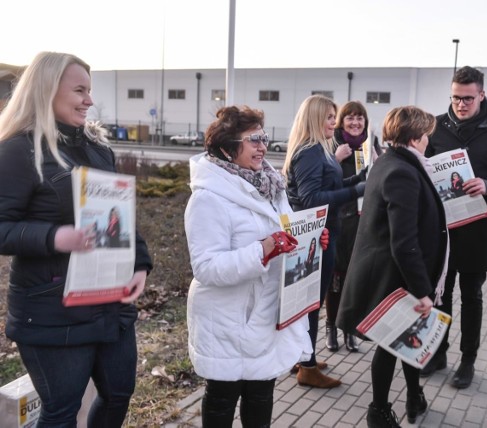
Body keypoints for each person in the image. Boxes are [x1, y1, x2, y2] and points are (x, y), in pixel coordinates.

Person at [0, 51, 152, 426]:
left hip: (110, 301)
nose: (90, 100)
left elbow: (123, 216)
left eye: (91, 90)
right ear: (46, 89)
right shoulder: (19, 151)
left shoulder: (99, 149)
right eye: (80, 90)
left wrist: (140, 265)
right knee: (61, 411)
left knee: (119, 394)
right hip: (52, 309)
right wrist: (56, 237)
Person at [184, 105, 316, 427]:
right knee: (222, 398)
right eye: (253, 139)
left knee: (261, 393)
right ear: (229, 149)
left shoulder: (270, 185)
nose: (263, 146)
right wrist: (263, 250)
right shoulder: (208, 198)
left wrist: (309, 239)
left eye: (264, 138)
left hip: (264, 314)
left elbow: (284, 231)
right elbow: (207, 267)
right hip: (228, 320)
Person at [337, 106, 448, 427]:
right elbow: (404, 240)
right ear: (415, 137)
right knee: (390, 344)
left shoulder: (388, 161)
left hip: (393, 270)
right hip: (395, 274)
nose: (429, 140)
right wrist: (423, 291)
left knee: (409, 337)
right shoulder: (402, 171)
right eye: (426, 135)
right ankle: (379, 410)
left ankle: (414, 397)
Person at [422, 66, 487, 388]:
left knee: (472, 295)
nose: (461, 104)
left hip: (477, 227)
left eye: (468, 98)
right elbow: (421, 165)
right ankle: (438, 352)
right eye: (455, 97)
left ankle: (468, 360)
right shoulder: (435, 126)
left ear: (481, 95)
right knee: (441, 293)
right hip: (441, 227)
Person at [283, 94, 366, 388]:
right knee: (312, 303)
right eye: (330, 117)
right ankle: (307, 367)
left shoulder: (321, 149)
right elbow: (311, 199)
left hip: (324, 233)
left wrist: (356, 181)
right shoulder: (309, 152)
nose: (335, 122)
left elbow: (328, 187)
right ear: (316, 119)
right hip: (317, 238)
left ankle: (304, 356)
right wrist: (355, 192)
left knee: (311, 303)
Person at [326, 100, 381, 353]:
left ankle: (350, 329)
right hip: (340, 220)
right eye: (350, 118)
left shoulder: (372, 145)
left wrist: (380, 163)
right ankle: (330, 327)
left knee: (355, 279)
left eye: (360, 118)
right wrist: (336, 161)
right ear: (341, 121)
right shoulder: (332, 145)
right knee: (336, 279)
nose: (355, 122)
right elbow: (324, 186)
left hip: (364, 220)